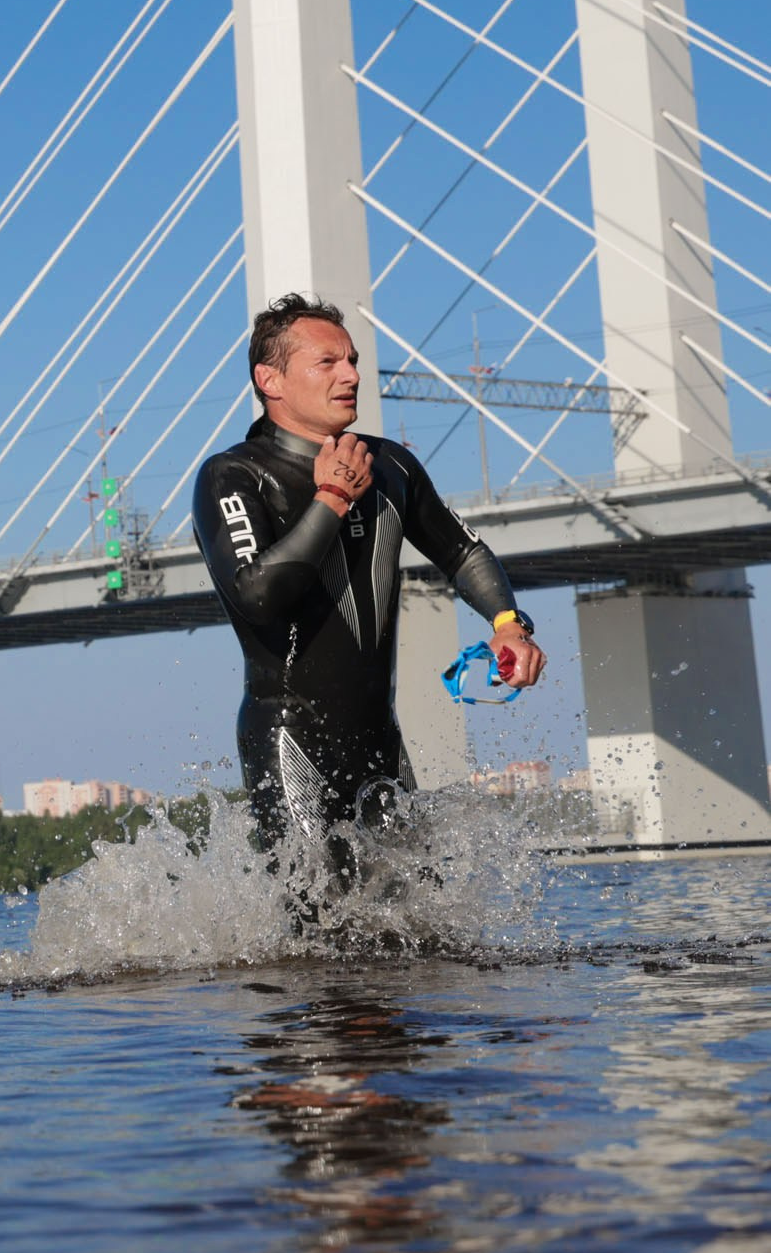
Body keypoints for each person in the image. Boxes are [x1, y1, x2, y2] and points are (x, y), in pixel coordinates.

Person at [193, 294, 548, 886]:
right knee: (317, 917)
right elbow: (257, 594)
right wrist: (332, 498)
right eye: (327, 363)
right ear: (270, 380)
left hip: (379, 741)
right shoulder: (232, 475)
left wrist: (508, 624)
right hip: (290, 738)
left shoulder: (391, 466)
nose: (352, 375)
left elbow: (462, 551)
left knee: (422, 916)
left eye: (353, 360)